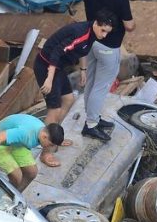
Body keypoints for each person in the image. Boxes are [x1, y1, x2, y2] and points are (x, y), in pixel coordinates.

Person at [33, 9, 117, 167]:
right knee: (53, 109)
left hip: (58, 68)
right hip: (46, 66)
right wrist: (49, 79)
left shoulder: (92, 33)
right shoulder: (81, 33)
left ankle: (56, 136)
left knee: (69, 99)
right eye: (103, 30)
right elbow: (57, 53)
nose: (104, 35)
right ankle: (46, 152)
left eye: (108, 32)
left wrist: (83, 70)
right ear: (96, 23)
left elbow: (82, 50)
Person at [80, 0, 135, 142]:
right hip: (108, 47)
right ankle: (91, 124)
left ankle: (92, 116)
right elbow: (129, 25)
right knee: (101, 87)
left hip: (91, 41)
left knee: (91, 81)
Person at [0, 113, 63, 191]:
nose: (50, 147)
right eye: (51, 144)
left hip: (17, 143)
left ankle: (17, 193)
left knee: (32, 173)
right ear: (44, 137)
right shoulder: (24, 133)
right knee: (17, 177)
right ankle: (5, 196)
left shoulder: (41, 131)